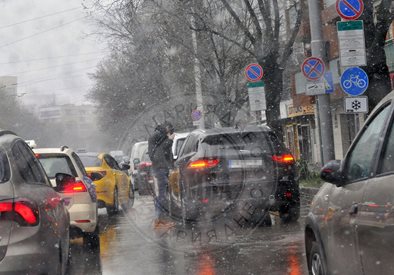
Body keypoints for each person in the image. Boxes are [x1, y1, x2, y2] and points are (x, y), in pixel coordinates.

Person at [148, 121, 175, 228]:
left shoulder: (159, 135)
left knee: (162, 194)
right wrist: (170, 139)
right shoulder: (159, 136)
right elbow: (161, 151)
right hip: (160, 169)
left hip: (161, 168)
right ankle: (159, 220)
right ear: (167, 128)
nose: (171, 132)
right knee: (161, 195)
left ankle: (160, 219)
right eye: (170, 129)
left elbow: (166, 152)